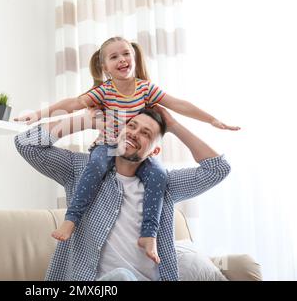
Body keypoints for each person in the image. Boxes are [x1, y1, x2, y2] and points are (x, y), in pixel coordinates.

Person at [15, 36, 238, 265]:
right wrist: (39, 115)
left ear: (134, 58)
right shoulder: (105, 91)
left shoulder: (145, 89)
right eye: (114, 57)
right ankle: (71, 219)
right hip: (106, 146)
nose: (122, 60)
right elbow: (72, 103)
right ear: (105, 67)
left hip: (139, 160)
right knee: (96, 165)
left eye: (126, 54)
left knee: (159, 175)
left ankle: (148, 235)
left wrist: (211, 120)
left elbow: (179, 104)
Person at [14, 106, 231, 280]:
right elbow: (26, 144)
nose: (135, 134)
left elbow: (218, 169)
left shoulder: (164, 185)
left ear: (155, 151)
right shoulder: (80, 169)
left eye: (146, 133)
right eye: (132, 126)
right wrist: (84, 121)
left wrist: (173, 126)